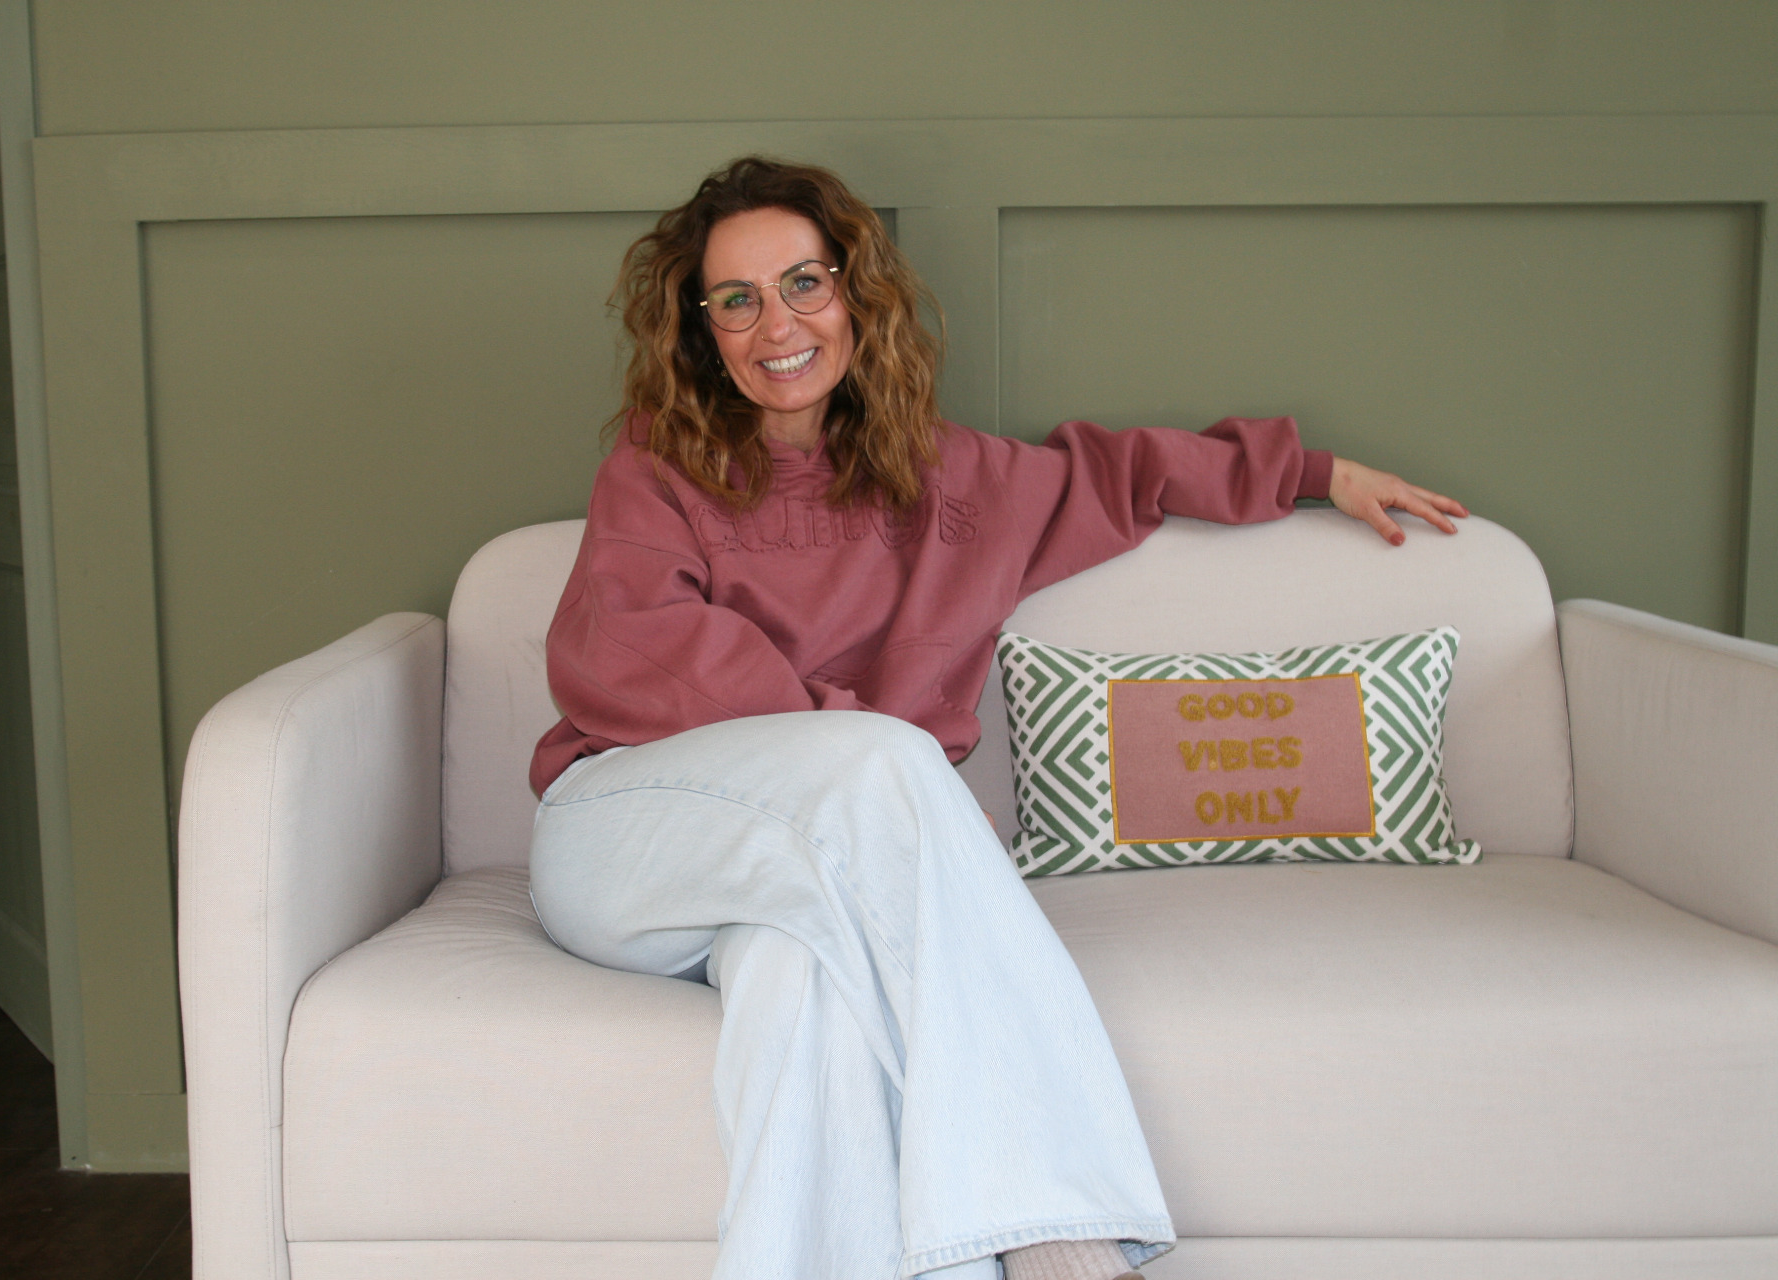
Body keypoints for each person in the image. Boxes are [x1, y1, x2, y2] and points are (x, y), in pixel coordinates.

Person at [526, 156, 1466, 1280]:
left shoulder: (953, 482)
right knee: (883, 762)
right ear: (703, 328)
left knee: (801, 986)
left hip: (812, 883)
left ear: (855, 295)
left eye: (804, 283)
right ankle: (1067, 1245)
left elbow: (1123, 475)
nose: (777, 323)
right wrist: (869, 758)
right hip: (627, 841)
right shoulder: (656, 464)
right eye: (737, 299)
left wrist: (1312, 470)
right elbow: (638, 650)